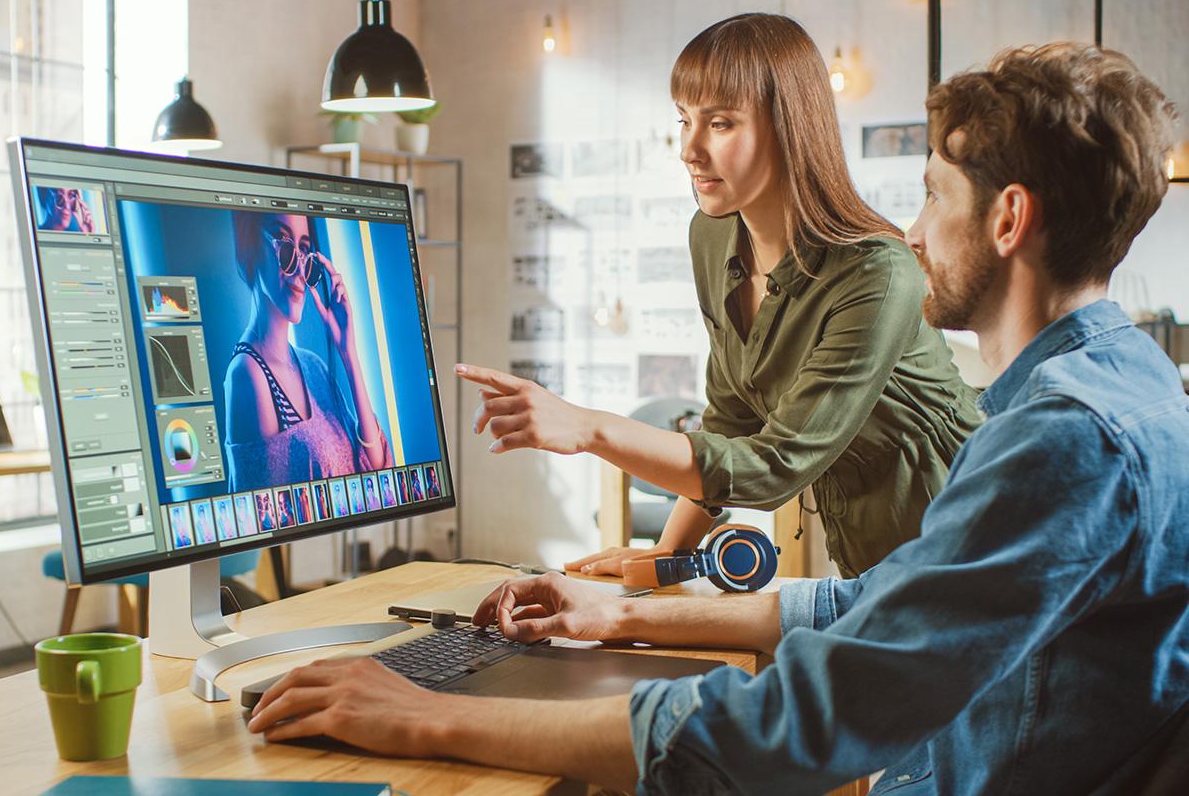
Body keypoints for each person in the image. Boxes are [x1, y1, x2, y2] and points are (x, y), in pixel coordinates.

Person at [248, 41, 1189, 793]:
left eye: (934, 196)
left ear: (1008, 219)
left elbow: (805, 722)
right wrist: (624, 612)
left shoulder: (1065, 438)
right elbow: (874, 604)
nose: (910, 229)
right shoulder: (1119, 381)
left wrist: (421, 713)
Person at [458, 14, 981, 579]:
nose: (689, 148)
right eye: (685, 120)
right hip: (867, 558)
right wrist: (666, 557)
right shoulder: (712, 235)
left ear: (788, 128)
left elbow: (777, 466)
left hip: (965, 541)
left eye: (721, 124)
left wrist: (589, 427)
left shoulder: (878, 272)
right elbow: (731, 421)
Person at [224, 211, 391, 492]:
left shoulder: (313, 366)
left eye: (304, 250)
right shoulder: (248, 375)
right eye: (286, 247)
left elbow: (378, 473)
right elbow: (265, 521)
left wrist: (348, 353)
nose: (300, 271)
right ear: (251, 246)